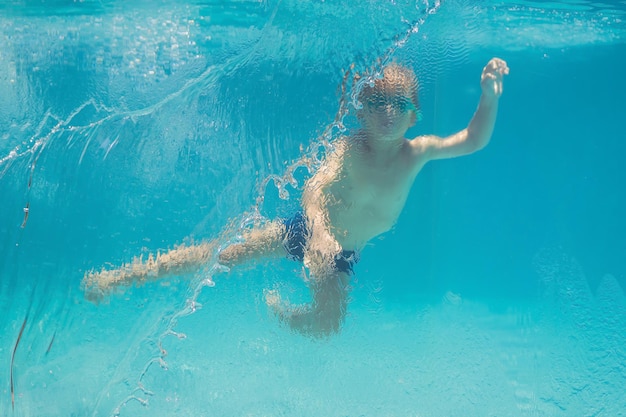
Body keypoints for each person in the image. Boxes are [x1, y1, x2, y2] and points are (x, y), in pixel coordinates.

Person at [82, 58, 509, 338]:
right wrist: (319, 232)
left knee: (326, 327)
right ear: (360, 110)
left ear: (415, 113)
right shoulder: (349, 149)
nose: (388, 112)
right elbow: (314, 188)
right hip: (305, 230)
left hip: (344, 254)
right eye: (377, 101)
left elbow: (472, 140)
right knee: (219, 257)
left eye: (400, 104)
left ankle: (278, 313)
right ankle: (120, 278)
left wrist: (488, 98)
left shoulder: (418, 152)